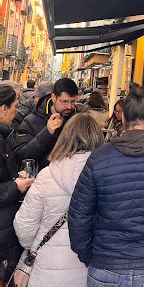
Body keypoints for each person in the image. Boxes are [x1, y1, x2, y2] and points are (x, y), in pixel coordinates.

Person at [69, 84, 144, 287]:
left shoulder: (99, 158)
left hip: (105, 264)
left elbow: (78, 215)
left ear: (123, 118)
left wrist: (88, 254)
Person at [13, 113, 104, 287]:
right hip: (89, 271)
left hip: (46, 270)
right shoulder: (106, 177)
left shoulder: (47, 176)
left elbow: (24, 228)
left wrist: (33, 245)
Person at [0, 85, 34, 284]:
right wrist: (15, 186)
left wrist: (15, 178)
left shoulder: (4, 135)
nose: (17, 110)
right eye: (14, 105)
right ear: (3, 108)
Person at [13, 78, 79, 171]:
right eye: (64, 101)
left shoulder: (78, 119)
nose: (69, 106)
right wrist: (46, 133)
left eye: (72, 102)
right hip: (41, 181)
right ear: (53, 97)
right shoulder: (31, 121)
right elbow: (20, 157)